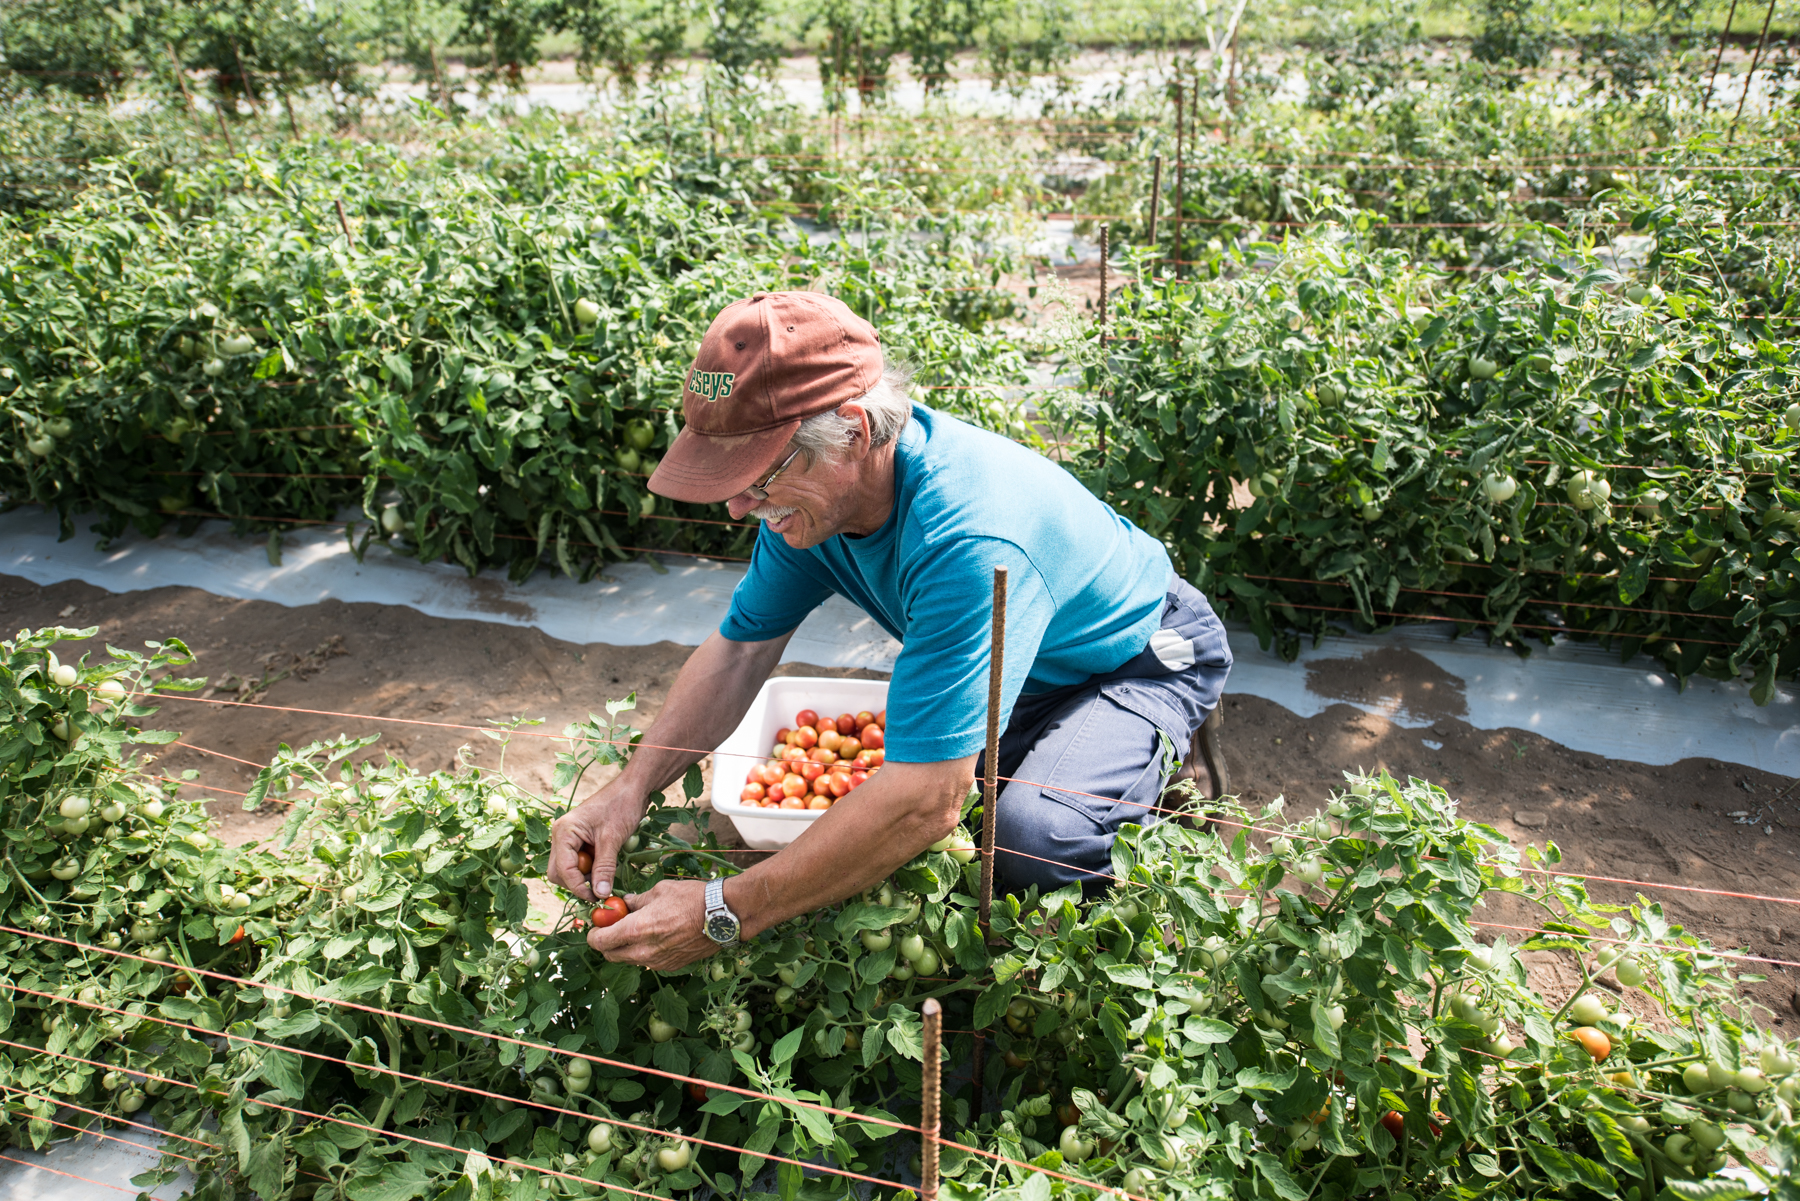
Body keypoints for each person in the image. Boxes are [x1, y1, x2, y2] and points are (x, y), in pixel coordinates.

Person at [547, 291, 1231, 971]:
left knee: (1031, 839)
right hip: (1023, 671)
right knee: (916, 820)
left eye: (760, 475)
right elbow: (740, 650)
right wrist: (628, 789)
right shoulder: (806, 510)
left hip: (1134, 658)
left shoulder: (965, 536)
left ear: (852, 428)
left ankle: (1161, 809)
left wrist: (728, 910)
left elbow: (926, 799)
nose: (736, 506)